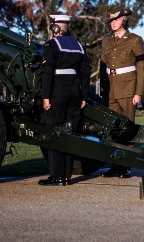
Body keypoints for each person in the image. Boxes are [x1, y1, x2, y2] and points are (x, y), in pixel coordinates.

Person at [38, 14, 91, 186]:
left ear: (55, 28)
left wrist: (46, 97)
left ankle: (55, 175)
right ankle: (66, 176)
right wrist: (84, 96)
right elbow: (85, 73)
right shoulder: (78, 46)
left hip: (57, 93)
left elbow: (48, 72)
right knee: (70, 134)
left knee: (55, 133)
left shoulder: (52, 45)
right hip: (75, 94)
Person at [99, 6, 144, 178]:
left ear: (124, 20)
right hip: (110, 89)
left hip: (128, 89)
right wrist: (102, 90)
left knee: (127, 128)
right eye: (111, 21)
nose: (113, 23)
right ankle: (115, 165)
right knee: (112, 128)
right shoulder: (106, 40)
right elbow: (102, 65)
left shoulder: (135, 40)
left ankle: (126, 165)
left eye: (116, 20)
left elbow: (141, 67)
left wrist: (138, 93)